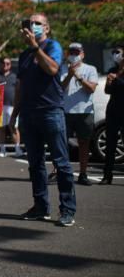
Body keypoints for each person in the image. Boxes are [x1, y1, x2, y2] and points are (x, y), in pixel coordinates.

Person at [11, 13, 76, 227]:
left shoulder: (52, 47)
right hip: (28, 114)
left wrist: (35, 47)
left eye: (38, 23)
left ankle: (67, 210)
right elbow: (20, 87)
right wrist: (14, 115)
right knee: (35, 164)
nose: (34, 26)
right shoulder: (23, 56)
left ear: (46, 28)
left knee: (61, 163)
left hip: (50, 112)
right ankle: (41, 207)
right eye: (31, 23)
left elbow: (52, 69)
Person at [56, 43, 98, 186]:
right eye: (71, 52)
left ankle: (83, 174)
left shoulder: (90, 69)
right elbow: (59, 88)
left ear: (82, 54)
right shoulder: (61, 68)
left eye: (77, 52)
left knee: (84, 143)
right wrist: (69, 75)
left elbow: (91, 89)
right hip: (66, 111)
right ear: (67, 54)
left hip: (84, 112)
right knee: (62, 143)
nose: (74, 55)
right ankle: (61, 172)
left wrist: (78, 77)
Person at [101, 44, 124, 185]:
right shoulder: (112, 70)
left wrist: (118, 79)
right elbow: (107, 91)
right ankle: (107, 175)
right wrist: (109, 82)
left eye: (118, 52)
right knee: (110, 144)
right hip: (113, 110)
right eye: (114, 52)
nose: (115, 54)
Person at [0, 57, 22, 157]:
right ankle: (2, 149)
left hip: (12, 106)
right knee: (1, 128)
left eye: (8, 63)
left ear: (10, 65)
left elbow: (19, 90)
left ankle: (17, 149)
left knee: (13, 127)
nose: (5, 65)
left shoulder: (14, 76)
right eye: (4, 63)